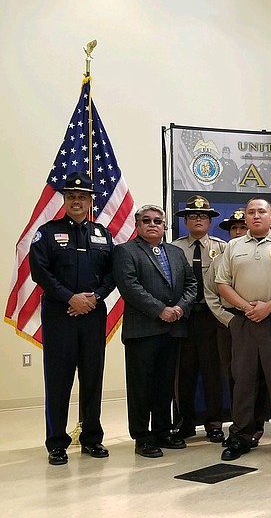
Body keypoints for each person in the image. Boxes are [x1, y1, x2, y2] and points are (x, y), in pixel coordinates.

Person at [29, 172, 115, 465]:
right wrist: (71, 297)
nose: (76, 201)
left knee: (93, 378)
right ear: (64, 200)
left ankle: (92, 438)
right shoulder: (48, 232)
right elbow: (41, 272)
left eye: (82, 197)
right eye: (71, 197)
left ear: (91, 201)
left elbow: (112, 275)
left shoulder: (103, 234)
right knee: (58, 380)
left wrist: (95, 297)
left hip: (92, 314)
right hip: (60, 315)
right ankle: (56, 443)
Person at [215, 197, 271, 461]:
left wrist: (268, 307)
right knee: (242, 381)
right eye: (251, 212)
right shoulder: (233, 247)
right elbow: (223, 283)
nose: (256, 216)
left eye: (261, 212)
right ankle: (240, 437)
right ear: (245, 218)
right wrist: (247, 307)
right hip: (244, 323)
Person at [113, 205, 197, 458]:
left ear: (164, 226)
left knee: (164, 386)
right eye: (146, 220)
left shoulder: (175, 252)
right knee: (141, 387)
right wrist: (160, 309)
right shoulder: (125, 251)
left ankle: (162, 431)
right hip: (143, 331)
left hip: (173, 329)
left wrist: (180, 308)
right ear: (137, 225)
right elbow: (129, 287)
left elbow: (191, 284)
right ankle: (142, 437)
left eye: (158, 221)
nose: (152, 224)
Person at [205, 209, 267, 448]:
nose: (239, 232)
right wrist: (228, 320)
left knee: (258, 375)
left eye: (242, 227)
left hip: (256, 319)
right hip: (229, 322)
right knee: (234, 375)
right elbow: (211, 294)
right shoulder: (220, 259)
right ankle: (239, 426)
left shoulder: (258, 255)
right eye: (234, 229)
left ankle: (257, 426)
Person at [171, 195, 226, 443]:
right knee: (184, 372)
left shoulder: (222, 247)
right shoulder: (174, 249)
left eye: (203, 216)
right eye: (192, 216)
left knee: (213, 370)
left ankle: (214, 422)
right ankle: (185, 422)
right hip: (183, 317)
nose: (198, 220)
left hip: (212, 316)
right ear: (185, 221)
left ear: (210, 221)